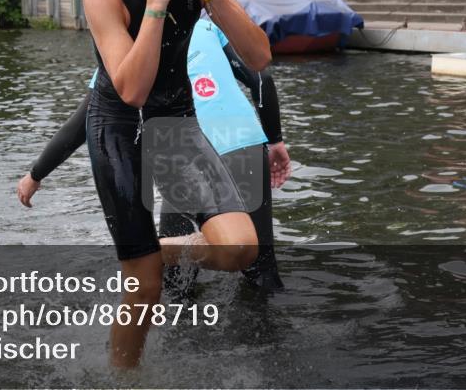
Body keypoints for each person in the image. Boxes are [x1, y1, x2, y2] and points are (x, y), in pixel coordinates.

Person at [78, 0, 273, 367]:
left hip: (177, 124)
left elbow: (259, 57)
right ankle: (122, 389)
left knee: (242, 248)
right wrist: (158, 3)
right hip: (119, 130)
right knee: (144, 289)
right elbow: (131, 90)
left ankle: (155, 250)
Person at [17, 16, 292, 290]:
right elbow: (261, 79)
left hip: (185, 155)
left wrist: (36, 174)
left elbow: (83, 123)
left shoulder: (122, 54)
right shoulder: (205, 25)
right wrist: (276, 141)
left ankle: (149, 259)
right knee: (261, 270)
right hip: (242, 141)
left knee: (175, 278)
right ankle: (269, 332)